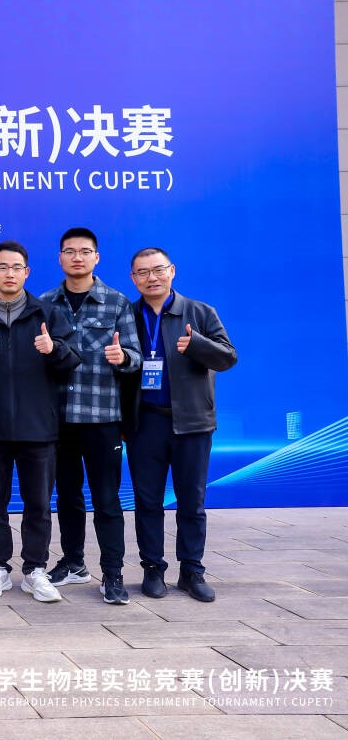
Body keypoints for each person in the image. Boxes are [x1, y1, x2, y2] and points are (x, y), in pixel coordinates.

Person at [0, 242, 79, 602]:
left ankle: (35, 570)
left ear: (27, 273)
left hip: (38, 427)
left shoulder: (47, 315)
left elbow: (72, 362)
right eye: (2, 267)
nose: (10, 274)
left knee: (38, 504)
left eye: (17, 267)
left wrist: (54, 349)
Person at [124, 248, 237, 602]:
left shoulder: (201, 312)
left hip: (193, 423)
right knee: (147, 501)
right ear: (133, 278)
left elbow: (228, 357)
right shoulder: (127, 316)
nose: (152, 278)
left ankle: (192, 570)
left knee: (192, 501)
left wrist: (197, 345)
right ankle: (152, 568)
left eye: (158, 270)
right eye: (143, 273)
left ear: (172, 271)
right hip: (146, 423)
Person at [40, 228, 142, 605]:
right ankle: (73, 562)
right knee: (67, 497)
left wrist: (124, 357)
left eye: (85, 251)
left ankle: (112, 573)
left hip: (102, 418)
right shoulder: (44, 304)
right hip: (59, 419)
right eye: (70, 251)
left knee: (107, 499)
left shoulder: (117, 303)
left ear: (96, 257)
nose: (77, 257)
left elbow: (136, 357)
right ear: (60, 258)